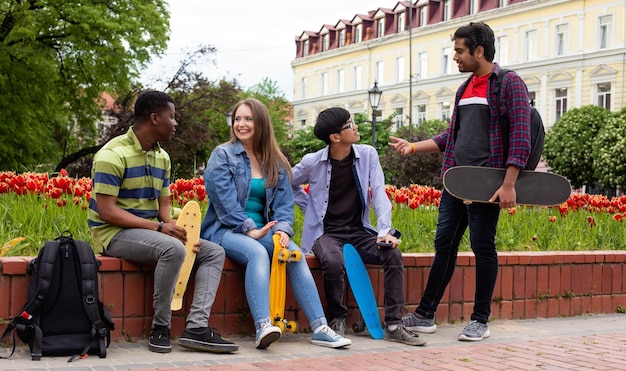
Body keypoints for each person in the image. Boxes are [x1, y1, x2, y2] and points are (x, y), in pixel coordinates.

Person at [389, 22, 531, 341]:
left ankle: (480, 320)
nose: (455, 56)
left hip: (487, 181)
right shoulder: (464, 89)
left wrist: (508, 184)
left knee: (483, 247)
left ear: (478, 51)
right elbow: (450, 136)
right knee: (444, 245)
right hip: (456, 181)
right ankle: (425, 315)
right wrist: (413, 147)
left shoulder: (508, 83)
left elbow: (521, 136)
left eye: (459, 50)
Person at [88, 90, 238, 354]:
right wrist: (161, 229)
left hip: (149, 231)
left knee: (212, 252)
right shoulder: (111, 155)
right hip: (114, 233)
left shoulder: (162, 157)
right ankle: (160, 327)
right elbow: (107, 212)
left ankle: (196, 328)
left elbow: (164, 207)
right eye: (172, 117)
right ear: (155, 118)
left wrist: (176, 228)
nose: (175, 123)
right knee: (173, 249)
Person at [200, 98, 351, 350]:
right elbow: (226, 206)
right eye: (237, 119)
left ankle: (320, 327)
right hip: (226, 230)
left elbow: (284, 205)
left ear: (260, 123)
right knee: (257, 253)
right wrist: (250, 228)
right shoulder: (223, 156)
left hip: (265, 231)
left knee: (293, 253)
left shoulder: (276, 162)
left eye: (248, 119)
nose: (241, 124)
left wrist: (281, 229)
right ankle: (263, 326)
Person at [291, 106, 426, 347]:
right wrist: (308, 206)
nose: (355, 127)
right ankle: (337, 319)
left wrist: (385, 231)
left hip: (359, 230)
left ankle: (394, 324)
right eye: (349, 124)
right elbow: (286, 183)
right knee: (333, 262)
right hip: (326, 233)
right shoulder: (313, 162)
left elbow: (380, 192)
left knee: (392, 254)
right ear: (335, 137)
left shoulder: (368, 155)